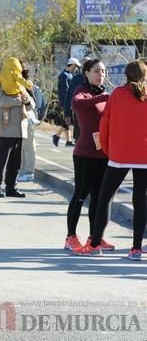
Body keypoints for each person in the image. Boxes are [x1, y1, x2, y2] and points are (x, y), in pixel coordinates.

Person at [74, 60, 147, 261]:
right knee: (140, 201)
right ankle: (136, 249)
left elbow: (106, 123)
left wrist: (107, 148)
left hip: (120, 154)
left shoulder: (117, 94)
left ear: (126, 75)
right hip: (144, 155)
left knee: (105, 198)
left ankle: (95, 244)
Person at [64, 59, 115, 252]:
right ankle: (71, 236)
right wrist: (103, 98)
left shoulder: (105, 93)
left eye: (103, 71)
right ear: (86, 72)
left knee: (98, 197)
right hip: (84, 152)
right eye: (96, 71)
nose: (100, 74)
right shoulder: (81, 91)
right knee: (80, 194)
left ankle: (96, 237)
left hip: (103, 153)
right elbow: (77, 104)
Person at [0, 58, 35, 198]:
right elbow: (2, 101)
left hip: (20, 129)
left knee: (16, 161)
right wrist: (19, 100)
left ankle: (11, 187)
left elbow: (31, 104)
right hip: (4, 129)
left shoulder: (19, 85)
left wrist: (26, 100)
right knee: (1, 160)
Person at [17, 62, 47, 182]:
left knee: (28, 148)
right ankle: (22, 171)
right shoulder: (18, 84)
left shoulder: (29, 86)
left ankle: (28, 172)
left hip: (28, 121)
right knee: (22, 148)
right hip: (21, 121)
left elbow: (37, 104)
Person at [53, 57, 80, 147]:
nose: (76, 68)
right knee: (68, 120)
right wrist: (68, 103)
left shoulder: (70, 75)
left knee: (67, 121)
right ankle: (57, 136)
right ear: (72, 65)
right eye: (75, 66)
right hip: (65, 102)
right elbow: (65, 91)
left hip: (69, 101)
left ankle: (68, 141)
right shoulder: (63, 75)